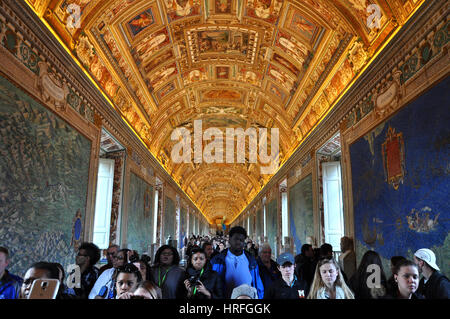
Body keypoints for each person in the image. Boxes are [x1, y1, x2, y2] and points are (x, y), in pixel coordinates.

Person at [210, 226, 264, 299]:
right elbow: (212, 284)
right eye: (235, 239)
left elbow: (258, 284)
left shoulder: (251, 260)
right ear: (229, 240)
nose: (238, 242)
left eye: (241, 240)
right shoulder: (217, 260)